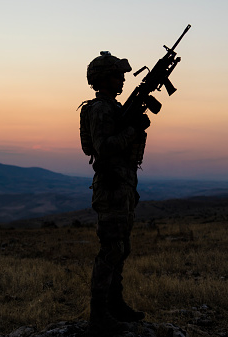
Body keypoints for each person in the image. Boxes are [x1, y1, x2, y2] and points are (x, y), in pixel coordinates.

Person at [79, 51, 150, 336]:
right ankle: (99, 316)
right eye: (117, 75)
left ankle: (115, 305)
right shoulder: (100, 109)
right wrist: (133, 129)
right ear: (104, 78)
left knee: (122, 248)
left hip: (122, 185)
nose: (122, 79)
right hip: (111, 186)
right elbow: (103, 147)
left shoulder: (114, 108)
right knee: (110, 250)